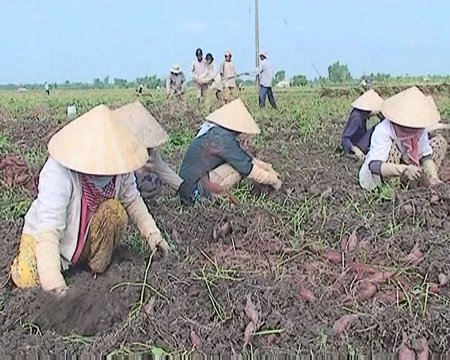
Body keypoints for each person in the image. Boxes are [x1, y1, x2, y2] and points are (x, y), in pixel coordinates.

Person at [10, 105, 169, 294]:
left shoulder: (120, 167)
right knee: (28, 278)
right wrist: (54, 285)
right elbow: (49, 232)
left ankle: (93, 268)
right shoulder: (58, 172)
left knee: (114, 211)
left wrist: (153, 235)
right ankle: (56, 269)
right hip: (50, 241)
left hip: (86, 237)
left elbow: (133, 201)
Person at [178, 99, 282, 204]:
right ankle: (209, 197)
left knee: (238, 163)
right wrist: (274, 181)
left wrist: (266, 167)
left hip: (187, 185)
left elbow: (243, 157)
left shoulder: (215, 132)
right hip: (193, 191)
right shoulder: (222, 138)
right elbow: (246, 167)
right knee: (237, 169)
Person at [359, 87, 447, 191]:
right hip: (390, 172)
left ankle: (424, 184)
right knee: (393, 149)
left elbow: (426, 156)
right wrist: (404, 169)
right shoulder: (384, 130)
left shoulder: (419, 128)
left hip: (410, 166)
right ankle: (395, 192)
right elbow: (374, 165)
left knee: (439, 142)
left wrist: (434, 179)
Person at [113, 101, 183, 200]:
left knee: (154, 183)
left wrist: (183, 187)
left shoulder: (150, 153)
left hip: (133, 186)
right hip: (116, 187)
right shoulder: (114, 150)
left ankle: (137, 200)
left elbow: (164, 171)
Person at [342, 90, 384, 161]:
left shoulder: (362, 114)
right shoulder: (357, 117)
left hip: (359, 142)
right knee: (376, 128)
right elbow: (345, 139)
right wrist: (355, 150)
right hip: (355, 147)